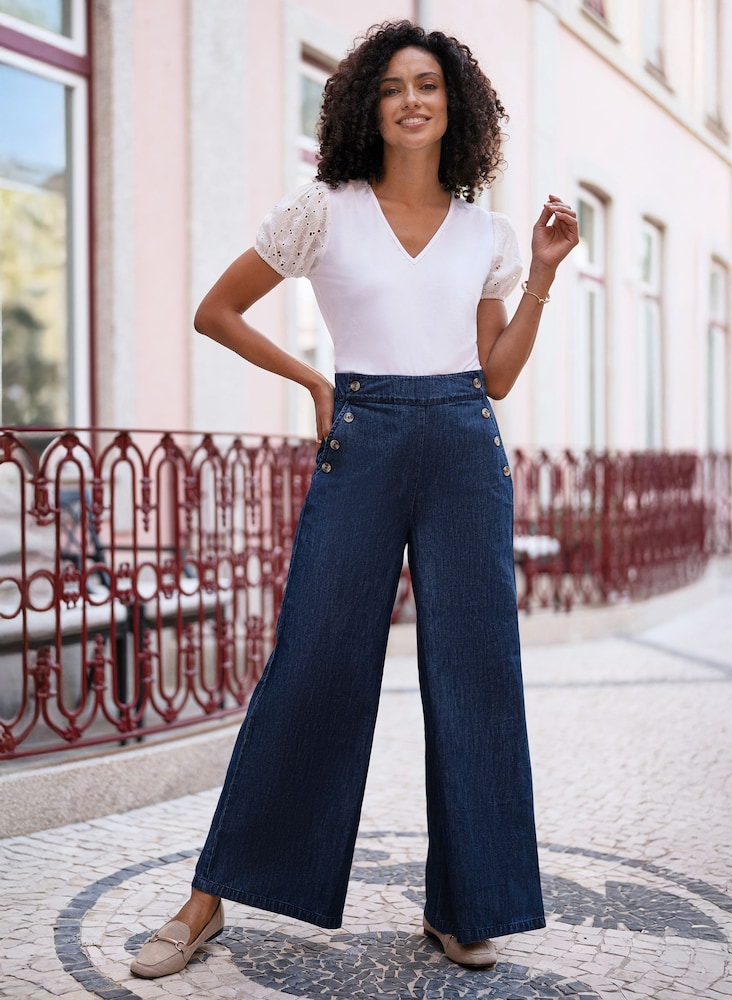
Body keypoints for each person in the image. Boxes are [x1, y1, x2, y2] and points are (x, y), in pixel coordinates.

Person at [130, 19, 578, 979]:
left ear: (453, 104)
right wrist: (315, 383)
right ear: (367, 107)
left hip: (465, 447)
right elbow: (216, 310)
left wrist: (540, 276)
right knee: (312, 667)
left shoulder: (486, 232)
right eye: (392, 88)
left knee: (477, 674)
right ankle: (206, 901)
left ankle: (465, 908)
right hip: (362, 440)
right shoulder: (323, 210)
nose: (412, 100)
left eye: (428, 85)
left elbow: (494, 377)